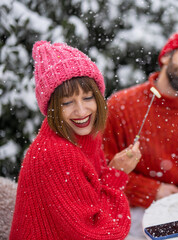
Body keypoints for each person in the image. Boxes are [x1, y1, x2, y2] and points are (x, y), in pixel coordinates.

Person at [10, 41, 141, 240]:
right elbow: (98, 233)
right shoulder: (56, 154)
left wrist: (113, 170)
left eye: (88, 98)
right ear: (52, 107)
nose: (81, 111)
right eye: (67, 103)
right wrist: (118, 175)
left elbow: (91, 198)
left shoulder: (85, 135)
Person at [103, 30, 178, 209]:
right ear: (166, 57)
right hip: (132, 210)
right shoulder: (121, 104)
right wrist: (151, 190)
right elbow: (103, 168)